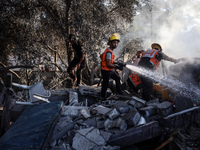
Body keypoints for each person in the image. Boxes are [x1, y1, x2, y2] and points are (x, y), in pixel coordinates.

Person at [100, 33, 123, 99]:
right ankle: (102, 97)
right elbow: (108, 64)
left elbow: (109, 61)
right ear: (110, 43)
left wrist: (117, 63)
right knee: (105, 84)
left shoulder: (109, 51)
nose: (116, 44)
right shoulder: (109, 52)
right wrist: (116, 67)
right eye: (114, 43)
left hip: (109, 70)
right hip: (106, 71)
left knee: (117, 78)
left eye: (116, 43)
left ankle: (119, 92)